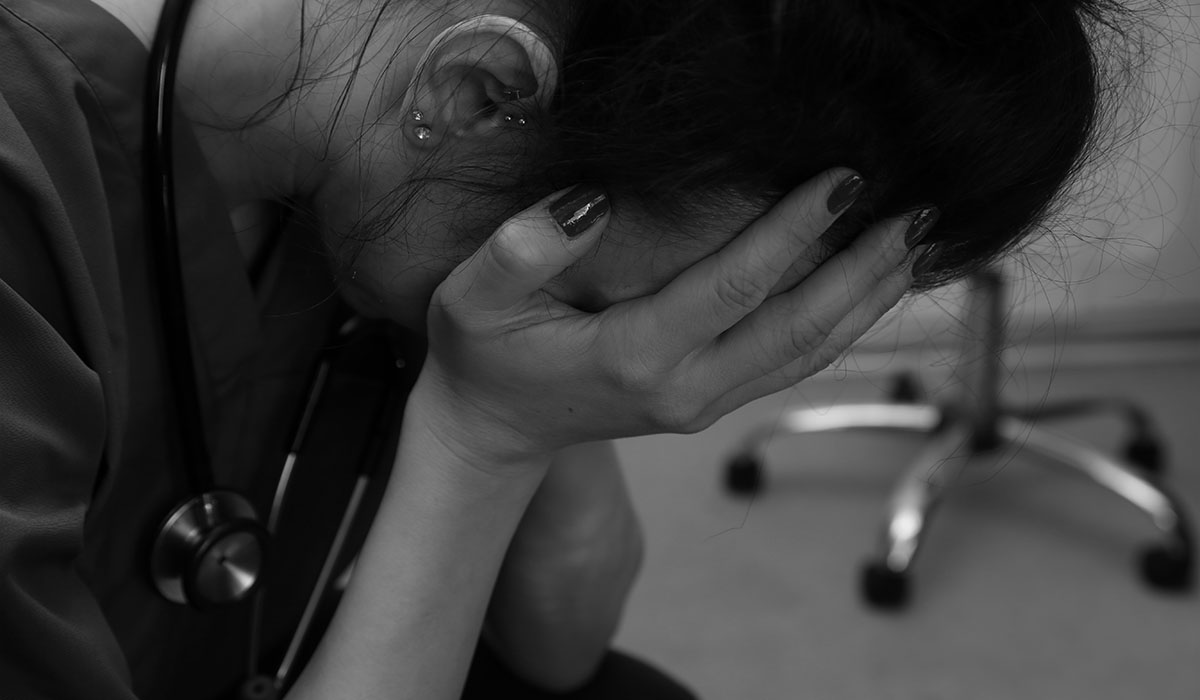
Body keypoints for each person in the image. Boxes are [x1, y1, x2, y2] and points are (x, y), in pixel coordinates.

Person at [0, 0, 1131, 698]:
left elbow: (562, 641)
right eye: (597, 304)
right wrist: (481, 439)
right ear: (482, 92)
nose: (629, 356)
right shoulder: (25, 185)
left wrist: (544, 403)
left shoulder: (389, 157)